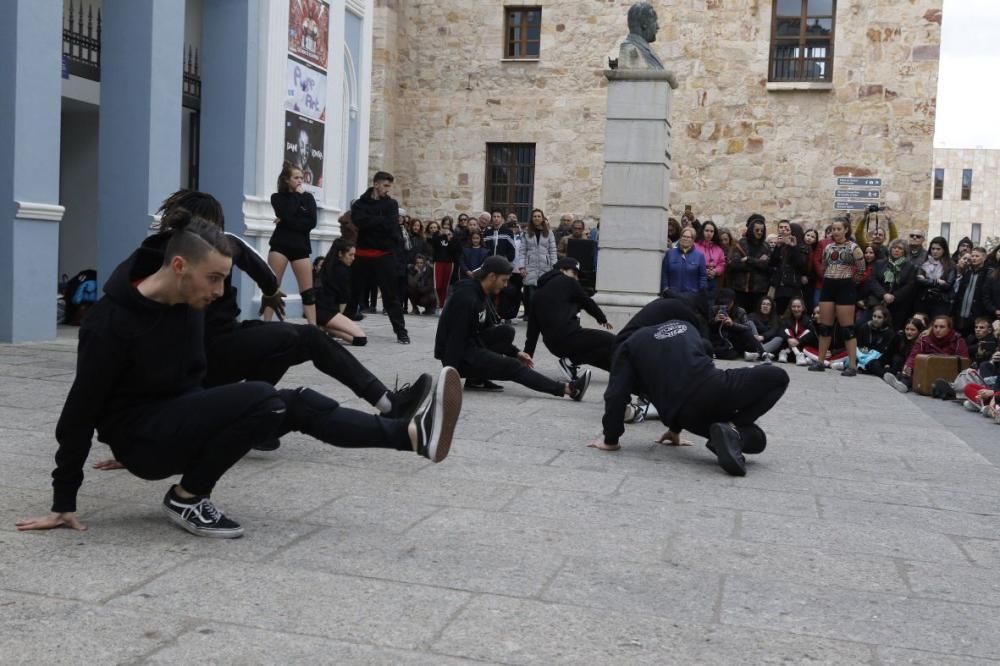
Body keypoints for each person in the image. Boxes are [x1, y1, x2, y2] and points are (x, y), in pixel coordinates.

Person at [16, 219, 462, 539]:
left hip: (173, 421)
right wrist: (64, 499)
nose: (217, 291)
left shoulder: (192, 304)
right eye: (212, 279)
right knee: (267, 399)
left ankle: (410, 435)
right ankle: (189, 497)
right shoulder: (110, 323)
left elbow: (200, 374)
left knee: (290, 404)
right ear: (177, 267)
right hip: (144, 441)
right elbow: (79, 411)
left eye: (222, 280)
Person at [125, 190, 429, 452]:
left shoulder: (155, 255)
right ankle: (388, 404)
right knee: (304, 338)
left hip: (205, 360)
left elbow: (260, 270)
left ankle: (258, 419)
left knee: (285, 342)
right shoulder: (211, 246)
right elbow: (265, 275)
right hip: (209, 357)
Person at [592, 319, 789, 477]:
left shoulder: (630, 345)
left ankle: (732, 432)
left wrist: (611, 439)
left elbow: (616, 394)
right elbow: (705, 348)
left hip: (685, 417)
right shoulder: (684, 325)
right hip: (715, 387)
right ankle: (733, 429)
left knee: (758, 439)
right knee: (779, 377)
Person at [434, 255, 592, 399]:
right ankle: (569, 389)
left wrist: (516, 352)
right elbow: (455, 340)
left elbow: (487, 330)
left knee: (506, 331)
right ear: (491, 276)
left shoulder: (481, 293)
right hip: (459, 357)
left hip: (471, 344)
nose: (505, 285)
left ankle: (476, 380)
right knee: (513, 367)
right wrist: (449, 378)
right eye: (504, 280)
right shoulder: (466, 299)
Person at [524, 257, 615, 380]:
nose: (576, 278)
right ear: (562, 270)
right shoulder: (569, 282)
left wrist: (528, 354)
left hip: (553, 346)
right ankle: (568, 363)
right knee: (610, 341)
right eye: (574, 273)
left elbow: (532, 329)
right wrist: (602, 319)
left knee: (593, 351)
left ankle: (615, 372)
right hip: (569, 337)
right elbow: (587, 301)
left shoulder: (537, 294)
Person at [348, 171, 410, 344]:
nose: (387, 189)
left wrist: (373, 222)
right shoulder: (360, 203)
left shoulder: (391, 204)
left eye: (389, 186)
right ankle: (341, 327)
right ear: (376, 184)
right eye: (385, 186)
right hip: (361, 254)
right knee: (353, 294)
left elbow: (390, 226)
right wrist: (379, 221)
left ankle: (401, 332)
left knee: (391, 296)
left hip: (383, 255)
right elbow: (359, 221)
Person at [809, 218, 866, 376]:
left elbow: (861, 269)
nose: (835, 232)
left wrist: (850, 283)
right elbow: (824, 266)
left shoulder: (853, 247)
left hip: (845, 286)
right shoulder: (828, 248)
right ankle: (820, 362)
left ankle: (853, 366)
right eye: (833, 229)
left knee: (847, 328)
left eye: (839, 229)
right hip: (828, 285)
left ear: (846, 230)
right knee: (825, 326)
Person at [263, 161, 317, 325]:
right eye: (296, 177)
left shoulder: (308, 198)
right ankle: (266, 324)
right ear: (287, 180)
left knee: (308, 292)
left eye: (302, 177)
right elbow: (287, 212)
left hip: (300, 247)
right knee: (272, 288)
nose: (300, 181)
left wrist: (288, 220)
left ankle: (313, 328)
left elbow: (311, 223)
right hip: (280, 246)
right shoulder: (277, 198)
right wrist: (297, 202)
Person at [884, 315, 968, 393]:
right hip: (926, 372)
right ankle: (903, 382)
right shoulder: (924, 339)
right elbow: (914, 355)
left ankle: (901, 380)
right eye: (935, 327)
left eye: (942, 327)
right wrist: (908, 366)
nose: (938, 330)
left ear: (949, 328)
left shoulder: (958, 341)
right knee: (912, 367)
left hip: (947, 373)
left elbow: (963, 360)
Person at [316, 238, 366, 345]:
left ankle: (324, 328)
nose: (353, 258)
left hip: (319, 311)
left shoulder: (327, 266)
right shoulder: (342, 271)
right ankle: (325, 327)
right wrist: (340, 320)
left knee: (352, 333)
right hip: (328, 313)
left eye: (354, 255)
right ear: (340, 254)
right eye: (350, 255)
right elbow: (343, 299)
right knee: (361, 338)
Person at [869, 238, 917, 327]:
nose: (896, 250)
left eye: (900, 248)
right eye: (894, 247)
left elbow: (910, 285)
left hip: (898, 304)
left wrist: (894, 297)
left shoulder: (910, 267)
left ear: (904, 251)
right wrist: (884, 295)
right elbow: (873, 280)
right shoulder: (880, 263)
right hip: (879, 301)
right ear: (890, 249)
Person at [709, 288, 766, 361]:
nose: (725, 305)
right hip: (720, 340)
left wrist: (732, 324)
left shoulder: (740, 311)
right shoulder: (713, 309)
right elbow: (709, 328)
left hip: (735, 339)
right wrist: (715, 320)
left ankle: (763, 353)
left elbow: (747, 328)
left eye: (728, 303)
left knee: (747, 333)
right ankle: (746, 353)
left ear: (733, 302)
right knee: (731, 354)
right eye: (723, 303)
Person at [522, 208, 558, 319]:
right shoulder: (526, 233)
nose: (537, 218)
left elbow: (552, 250)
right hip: (530, 267)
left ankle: (543, 316)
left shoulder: (549, 233)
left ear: (542, 218)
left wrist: (554, 267)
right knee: (532, 296)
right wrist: (522, 267)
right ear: (531, 218)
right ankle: (533, 317)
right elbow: (522, 251)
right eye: (534, 216)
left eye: (539, 216)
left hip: (545, 267)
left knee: (544, 294)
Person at [730, 215, 771, 313]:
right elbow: (735, 264)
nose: (759, 232)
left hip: (759, 290)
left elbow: (766, 266)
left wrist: (748, 259)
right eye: (757, 230)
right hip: (741, 288)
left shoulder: (766, 246)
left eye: (761, 230)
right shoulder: (742, 243)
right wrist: (758, 263)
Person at [769, 221, 808, 315]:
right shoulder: (781, 246)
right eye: (783, 229)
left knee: (794, 314)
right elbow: (772, 263)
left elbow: (801, 265)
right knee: (779, 313)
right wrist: (777, 247)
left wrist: (793, 247)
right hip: (780, 285)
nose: (784, 231)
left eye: (787, 229)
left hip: (793, 286)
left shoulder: (801, 247)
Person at [915, 236, 956, 319]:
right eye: (933, 249)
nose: (935, 251)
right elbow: (919, 280)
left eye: (938, 249)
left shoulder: (950, 265)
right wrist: (936, 281)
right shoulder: (925, 263)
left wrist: (927, 280)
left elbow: (947, 285)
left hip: (940, 302)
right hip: (924, 299)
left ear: (944, 250)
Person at [953, 246, 990, 336]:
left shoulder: (988, 274)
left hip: (977, 315)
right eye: (972, 256)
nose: (973, 258)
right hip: (961, 315)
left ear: (984, 258)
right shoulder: (967, 272)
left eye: (977, 256)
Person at [660, 227, 706, 294]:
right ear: (680, 238)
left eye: (688, 237)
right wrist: (665, 288)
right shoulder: (670, 253)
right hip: (672, 295)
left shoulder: (699, 256)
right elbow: (664, 273)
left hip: (691, 296)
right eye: (683, 236)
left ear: (693, 240)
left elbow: (703, 277)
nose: (685, 239)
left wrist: (701, 292)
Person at [856, 304, 896, 376]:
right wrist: (862, 349)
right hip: (862, 355)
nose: (876, 319)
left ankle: (885, 375)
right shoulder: (865, 327)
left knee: (874, 364)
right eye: (874, 316)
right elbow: (858, 344)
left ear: (885, 319)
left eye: (879, 317)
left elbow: (886, 350)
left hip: (877, 357)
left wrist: (870, 351)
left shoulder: (889, 332)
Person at [776, 298, 817, 365]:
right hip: (788, 345)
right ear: (790, 308)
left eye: (798, 307)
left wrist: (798, 340)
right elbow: (780, 331)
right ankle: (788, 353)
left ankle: (791, 353)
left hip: (801, 346)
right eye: (794, 307)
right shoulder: (786, 319)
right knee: (786, 330)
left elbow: (811, 334)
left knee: (808, 331)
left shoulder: (808, 320)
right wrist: (788, 339)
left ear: (803, 308)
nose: (796, 309)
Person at [427, 221, 456, 308]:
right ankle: (439, 303)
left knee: (445, 286)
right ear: (442, 226)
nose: (446, 227)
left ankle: (442, 306)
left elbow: (454, 250)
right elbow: (434, 246)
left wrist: (450, 238)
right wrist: (438, 235)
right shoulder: (437, 235)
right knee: (437, 286)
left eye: (448, 225)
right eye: (444, 225)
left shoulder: (453, 236)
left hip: (449, 263)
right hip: (438, 262)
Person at [695, 220, 726, 295]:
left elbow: (722, 264)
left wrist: (715, 271)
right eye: (707, 230)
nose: (709, 233)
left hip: (713, 280)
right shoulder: (695, 246)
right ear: (702, 231)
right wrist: (704, 270)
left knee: (710, 304)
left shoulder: (718, 249)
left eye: (712, 231)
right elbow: (691, 261)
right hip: (697, 279)